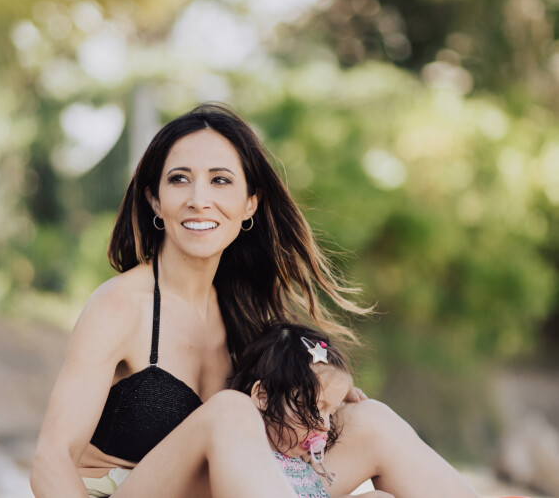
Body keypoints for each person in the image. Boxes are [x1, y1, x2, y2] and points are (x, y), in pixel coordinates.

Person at [30, 102, 480, 498]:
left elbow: (282, 432)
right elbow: (50, 463)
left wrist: (320, 397)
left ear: (249, 203)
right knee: (229, 409)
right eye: (179, 179)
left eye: (221, 181)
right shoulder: (121, 306)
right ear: (154, 199)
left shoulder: (247, 313)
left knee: (371, 424)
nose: (199, 200)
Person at [229, 321, 393, 498]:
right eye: (316, 408)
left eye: (331, 413)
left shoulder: (303, 459)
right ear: (263, 397)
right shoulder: (249, 452)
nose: (326, 426)